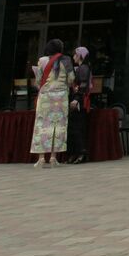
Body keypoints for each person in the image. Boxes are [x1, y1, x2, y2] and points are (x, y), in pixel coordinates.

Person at [30, 38, 73, 168]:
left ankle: (41, 158)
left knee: (42, 126)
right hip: (61, 97)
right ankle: (54, 157)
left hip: (45, 97)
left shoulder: (42, 61)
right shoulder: (67, 61)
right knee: (58, 127)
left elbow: (38, 81)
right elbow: (71, 79)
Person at [65, 46, 91, 165]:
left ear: (80, 56)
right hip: (77, 100)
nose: (73, 56)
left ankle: (81, 153)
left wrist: (76, 98)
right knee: (73, 128)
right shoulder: (80, 68)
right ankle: (74, 153)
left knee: (77, 128)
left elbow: (83, 85)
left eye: (75, 54)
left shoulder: (84, 68)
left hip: (80, 101)